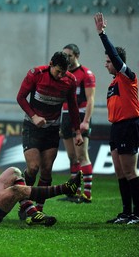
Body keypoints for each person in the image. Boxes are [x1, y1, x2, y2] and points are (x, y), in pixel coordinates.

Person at [16, 51, 84, 221]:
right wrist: (34, 116)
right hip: (32, 127)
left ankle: (38, 209)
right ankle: (25, 202)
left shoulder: (70, 81)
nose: (61, 75)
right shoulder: (36, 74)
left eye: (64, 72)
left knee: (46, 170)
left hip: (52, 129)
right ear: (51, 64)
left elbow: (74, 107)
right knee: (33, 168)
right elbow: (21, 97)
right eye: (58, 71)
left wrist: (77, 131)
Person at [94, 12, 139, 225]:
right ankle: (126, 213)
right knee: (120, 172)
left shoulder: (128, 77)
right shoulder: (113, 84)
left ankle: (137, 214)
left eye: (108, 61)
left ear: (116, 61)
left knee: (130, 171)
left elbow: (113, 55)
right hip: (117, 128)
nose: (106, 64)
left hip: (129, 126)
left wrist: (102, 34)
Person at [59, 44, 96, 203]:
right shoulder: (63, 74)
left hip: (80, 115)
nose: (67, 58)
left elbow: (90, 99)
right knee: (72, 156)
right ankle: (74, 192)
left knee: (82, 156)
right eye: (64, 55)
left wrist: (86, 121)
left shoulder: (86, 74)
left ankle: (87, 194)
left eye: (69, 55)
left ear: (77, 56)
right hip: (66, 116)